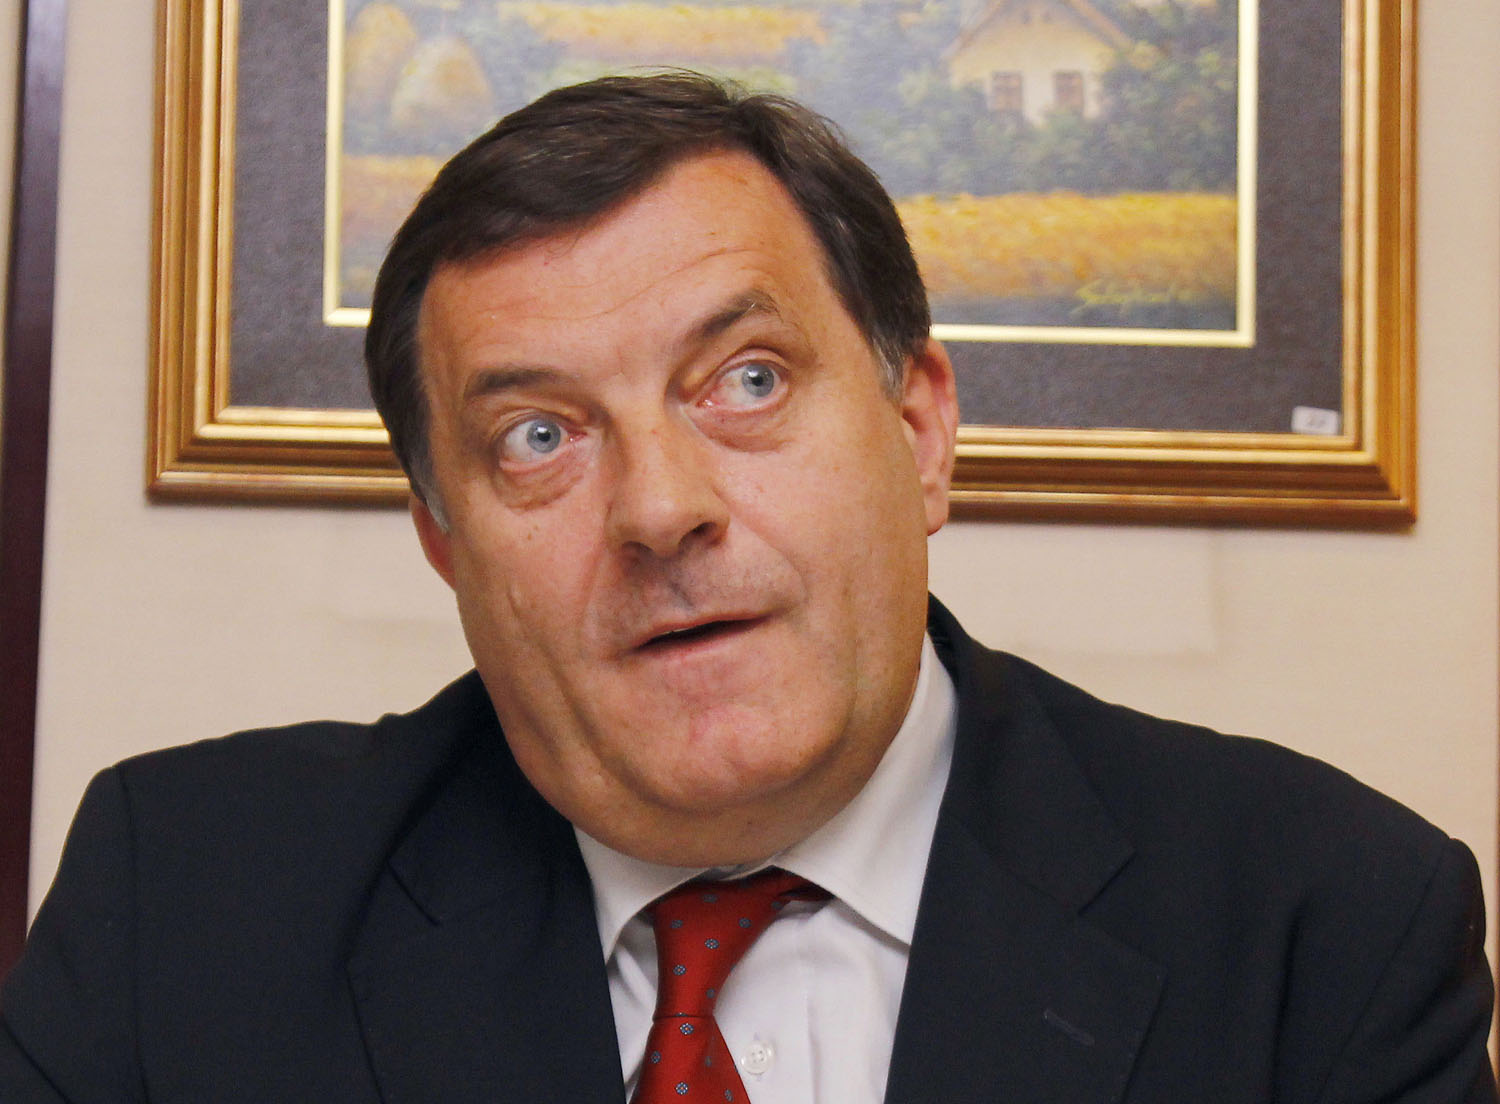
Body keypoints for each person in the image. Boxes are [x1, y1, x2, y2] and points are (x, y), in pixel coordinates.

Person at [1, 71, 1494, 1103]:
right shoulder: (181, 911)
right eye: (539, 438)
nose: (661, 509)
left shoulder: (1327, 929)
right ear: (446, 540)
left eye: (749, 380)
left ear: (919, 432)